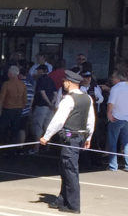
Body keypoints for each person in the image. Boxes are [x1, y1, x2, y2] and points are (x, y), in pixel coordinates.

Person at [39, 71, 95, 214]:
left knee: (70, 170)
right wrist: (89, 138)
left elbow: (58, 120)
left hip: (70, 138)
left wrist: (47, 136)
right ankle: (62, 199)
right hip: (79, 137)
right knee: (64, 168)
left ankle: (73, 205)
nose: (63, 83)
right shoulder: (87, 98)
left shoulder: (68, 100)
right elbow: (91, 120)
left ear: (69, 82)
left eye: (64, 81)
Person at [107, 71, 128, 173]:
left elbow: (111, 103)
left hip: (116, 116)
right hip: (126, 117)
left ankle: (113, 165)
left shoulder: (115, 88)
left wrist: (109, 114)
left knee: (113, 141)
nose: (111, 80)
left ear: (118, 79)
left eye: (113, 78)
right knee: (127, 143)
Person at [0, 65, 26, 147]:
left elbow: (1, 98)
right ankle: (13, 148)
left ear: (10, 74)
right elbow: (25, 99)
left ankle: (3, 146)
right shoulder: (22, 85)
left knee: (4, 129)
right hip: (19, 109)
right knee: (15, 130)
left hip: (8, 109)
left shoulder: (6, 84)